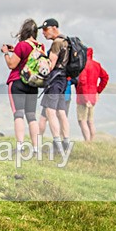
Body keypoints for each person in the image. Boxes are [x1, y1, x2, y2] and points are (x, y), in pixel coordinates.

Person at [1, 19, 43, 154]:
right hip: (32, 84)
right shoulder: (40, 47)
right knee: (31, 116)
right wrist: (15, 50)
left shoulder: (22, 45)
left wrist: (6, 53)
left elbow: (11, 65)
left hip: (18, 82)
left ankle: (20, 147)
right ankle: (36, 148)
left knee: (18, 114)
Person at [39, 18, 71, 155]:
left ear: (54, 28)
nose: (43, 33)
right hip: (63, 80)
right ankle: (66, 141)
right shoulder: (66, 41)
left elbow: (50, 66)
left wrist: (41, 59)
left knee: (50, 111)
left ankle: (57, 143)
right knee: (61, 112)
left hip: (55, 80)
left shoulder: (57, 43)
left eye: (45, 29)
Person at [76, 47, 109, 142]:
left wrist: (86, 99)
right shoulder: (96, 65)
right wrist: (98, 90)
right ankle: (92, 141)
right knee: (90, 121)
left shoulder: (83, 65)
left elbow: (83, 82)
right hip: (93, 96)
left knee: (82, 120)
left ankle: (87, 141)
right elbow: (105, 77)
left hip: (83, 97)